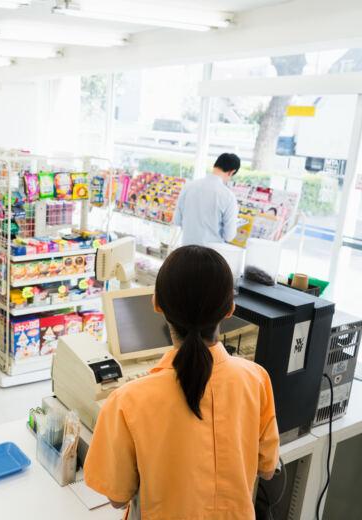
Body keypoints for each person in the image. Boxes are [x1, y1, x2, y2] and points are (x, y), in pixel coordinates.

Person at [84, 245, 280, 520]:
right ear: (230, 310)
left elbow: (117, 498)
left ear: (156, 303)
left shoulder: (127, 401)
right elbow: (267, 470)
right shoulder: (256, 379)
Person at [172, 153, 241, 247]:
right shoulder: (228, 196)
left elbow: (177, 221)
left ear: (214, 165)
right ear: (231, 172)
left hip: (186, 249)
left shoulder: (188, 186)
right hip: (211, 253)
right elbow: (229, 236)